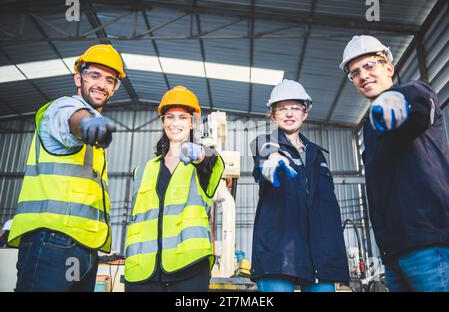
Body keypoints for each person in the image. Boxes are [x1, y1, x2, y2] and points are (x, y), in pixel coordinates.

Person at [7, 44, 126, 292]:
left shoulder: (94, 133)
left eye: (109, 80)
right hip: (52, 241)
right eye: (94, 75)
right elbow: (75, 119)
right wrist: (90, 127)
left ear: (114, 88)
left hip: (85, 247)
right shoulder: (61, 108)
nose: (101, 84)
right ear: (78, 77)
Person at [340, 35, 449, 292]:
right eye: (355, 72)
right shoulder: (370, 128)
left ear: (389, 67)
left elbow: (421, 103)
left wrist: (398, 102)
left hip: (429, 245)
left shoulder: (412, 93)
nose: (363, 75)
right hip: (392, 255)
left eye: (369, 66)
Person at [250, 79, 350, 292]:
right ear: (273, 114)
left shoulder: (317, 155)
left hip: (320, 257)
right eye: (282, 108)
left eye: (295, 108)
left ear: (305, 113)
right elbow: (264, 156)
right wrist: (270, 162)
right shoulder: (265, 143)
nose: (289, 113)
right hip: (278, 255)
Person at [124, 85, 225, 292]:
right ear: (163, 122)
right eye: (170, 117)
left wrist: (200, 154)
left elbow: (212, 161)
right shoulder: (143, 170)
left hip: (188, 270)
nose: (175, 123)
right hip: (142, 273)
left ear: (192, 123)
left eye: (182, 117)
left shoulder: (203, 162)